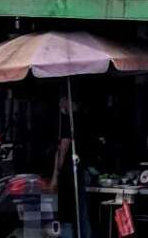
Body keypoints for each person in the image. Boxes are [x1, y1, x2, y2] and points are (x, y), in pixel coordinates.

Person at [51, 94, 91, 238]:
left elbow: (63, 146)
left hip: (71, 173)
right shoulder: (82, 118)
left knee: (68, 211)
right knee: (80, 210)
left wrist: (56, 174)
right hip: (79, 170)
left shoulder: (68, 121)